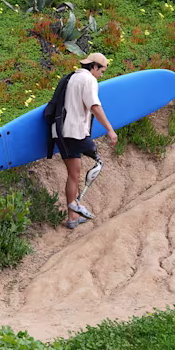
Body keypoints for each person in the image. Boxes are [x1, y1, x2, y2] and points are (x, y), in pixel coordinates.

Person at [53, 53, 117, 229]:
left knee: (74, 174)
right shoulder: (89, 80)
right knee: (99, 163)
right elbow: (95, 107)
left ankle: (72, 217)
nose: (101, 75)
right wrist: (110, 129)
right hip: (76, 133)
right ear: (94, 67)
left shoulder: (72, 77)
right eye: (101, 71)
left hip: (62, 132)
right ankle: (77, 204)